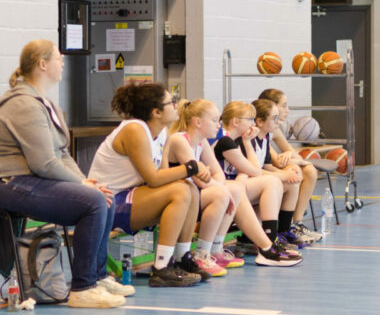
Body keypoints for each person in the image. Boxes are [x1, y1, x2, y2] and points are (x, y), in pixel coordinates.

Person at [0, 40, 130, 308]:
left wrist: (86, 182)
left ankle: (97, 277)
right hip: (11, 183)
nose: (63, 63)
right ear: (42, 64)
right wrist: (83, 185)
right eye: (59, 58)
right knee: (93, 201)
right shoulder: (22, 104)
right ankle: (83, 288)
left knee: (103, 195)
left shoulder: (46, 103)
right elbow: (44, 163)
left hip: (33, 180)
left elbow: (62, 153)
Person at [89, 82, 208, 287]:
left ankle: (182, 258)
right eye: (170, 102)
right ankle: (162, 267)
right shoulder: (134, 129)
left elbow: (163, 175)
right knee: (180, 191)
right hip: (107, 202)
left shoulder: (162, 132)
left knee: (189, 188)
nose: (176, 105)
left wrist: (191, 172)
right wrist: (191, 167)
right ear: (156, 112)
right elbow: (153, 178)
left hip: (129, 195)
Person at [213, 100, 303, 266]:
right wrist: (243, 174)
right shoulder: (225, 140)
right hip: (222, 189)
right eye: (249, 119)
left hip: (231, 186)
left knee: (272, 182)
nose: (253, 124)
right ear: (236, 121)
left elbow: (253, 169)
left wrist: (247, 142)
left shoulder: (235, 139)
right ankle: (268, 244)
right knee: (271, 182)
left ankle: (269, 241)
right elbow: (255, 171)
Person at [163, 98, 245, 273]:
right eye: (214, 120)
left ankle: (216, 249)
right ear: (198, 122)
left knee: (235, 189)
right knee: (221, 194)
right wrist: (221, 188)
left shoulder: (202, 142)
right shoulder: (179, 140)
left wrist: (221, 186)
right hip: (176, 199)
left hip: (192, 195)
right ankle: (202, 254)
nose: (218, 125)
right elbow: (200, 180)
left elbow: (218, 173)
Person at [258, 89, 324, 243]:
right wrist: (298, 162)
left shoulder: (275, 129)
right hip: (262, 173)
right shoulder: (260, 130)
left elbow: (293, 154)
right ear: (271, 106)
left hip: (269, 171)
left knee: (310, 171)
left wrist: (290, 154)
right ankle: (284, 227)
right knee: (296, 170)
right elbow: (276, 161)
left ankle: (297, 223)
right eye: (284, 106)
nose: (287, 110)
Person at [249, 99, 311, 248]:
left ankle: (283, 230)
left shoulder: (264, 138)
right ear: (260, 121)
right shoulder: (249, 139)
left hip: (257, 183)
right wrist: (283, 175)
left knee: (292, 182)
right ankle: (268, 237)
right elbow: (254, 171)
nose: (278, 122)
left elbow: (268, 167)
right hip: (248, 183)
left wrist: (288, 173)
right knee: (276, 182)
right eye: (274, 118)